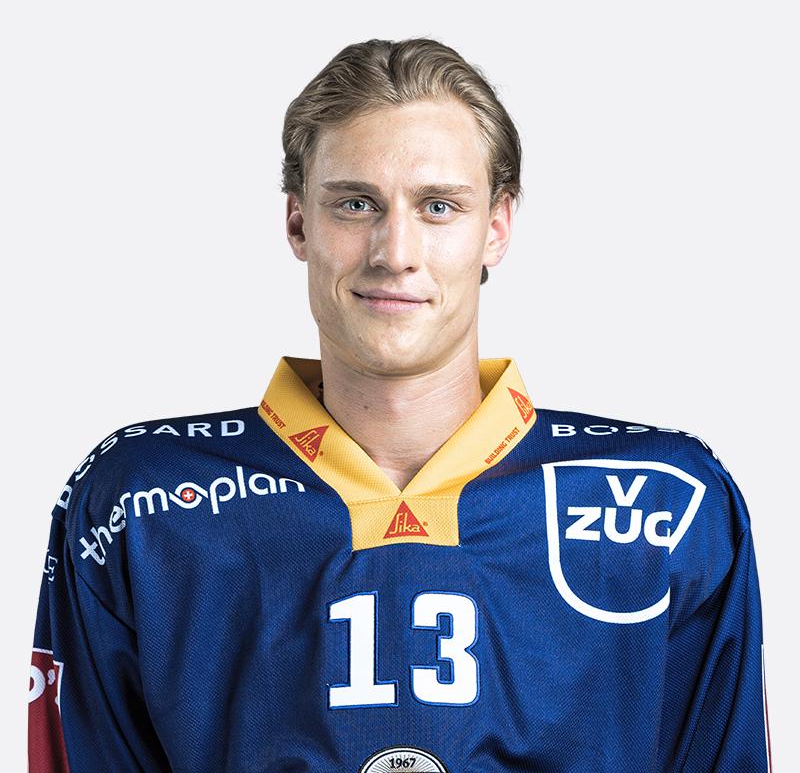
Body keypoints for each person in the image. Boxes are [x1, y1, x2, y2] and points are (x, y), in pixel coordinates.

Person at [28, 37, 771, 773]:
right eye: (356, 204)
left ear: (497, 227)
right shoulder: (141, 501)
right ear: (298, 223)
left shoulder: (668, 503)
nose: (395, 252)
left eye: (438, 207)